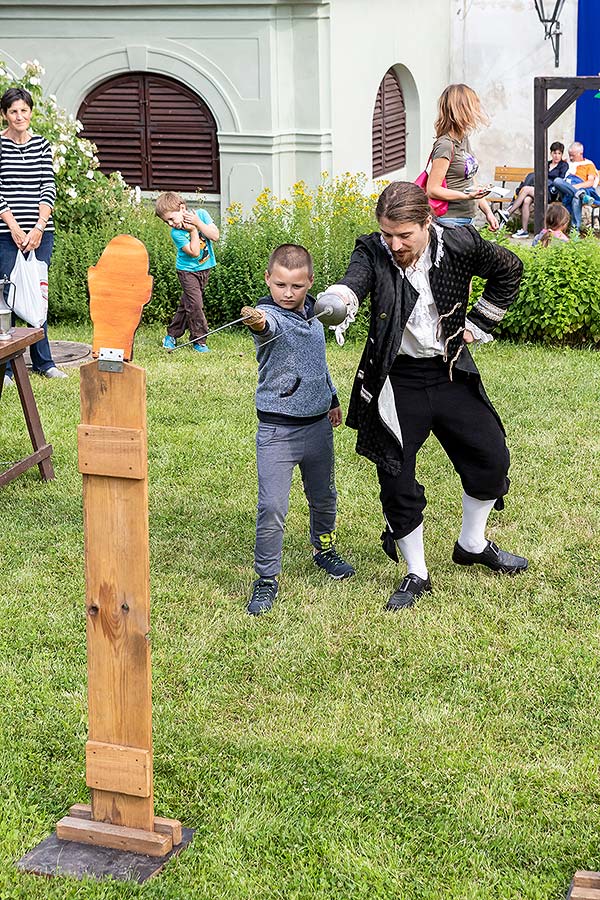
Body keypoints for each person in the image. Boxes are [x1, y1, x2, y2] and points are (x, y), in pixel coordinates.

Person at [318, 182, 527, 611]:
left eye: (404, 235)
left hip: (450, 370)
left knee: (491, 457)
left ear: (427, 224)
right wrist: (338, 299)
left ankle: (472, 543)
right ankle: (417, 572)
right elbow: (353, 281)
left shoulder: (461, 243)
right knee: (395, 474)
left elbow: (510, 269)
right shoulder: (374, 250)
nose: (394, 244)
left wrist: (480, 323)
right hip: (398, 377)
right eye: (387, 234)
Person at [240, 243, 355, 616]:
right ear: (268, 280)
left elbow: (317, 364)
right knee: (272, 506)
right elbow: (264, 324)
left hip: (318, 426)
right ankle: (266, 580)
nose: (287, 294)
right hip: (277, 430)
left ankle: (324, 549)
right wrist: (255, 319)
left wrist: (333, 397)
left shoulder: (314, 316)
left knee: (324, 497)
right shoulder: (270, 317)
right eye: (280, 285)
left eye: (297, 286)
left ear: (310, 284)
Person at [0, 86, 66, 388]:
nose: (19, 116)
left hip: (41, 234)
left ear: (30, 112)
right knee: (7, 298)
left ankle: (44, 362)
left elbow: (47, 187)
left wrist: (38, 227)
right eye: (13, 111)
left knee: (38, 296)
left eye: (24, 110)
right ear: (5, 115)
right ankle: (8, 368)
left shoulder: (42, 145)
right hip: (6, 234)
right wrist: (14, 227)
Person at [426, 83, 499, 231]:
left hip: (467, 218)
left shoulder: (463, 139)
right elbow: (432, 189)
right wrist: (466, 197)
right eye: (473, 106)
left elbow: (470, 180)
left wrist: (488, 212)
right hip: (449, 221)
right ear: (461, 110)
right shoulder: (445, 145)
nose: (477, 110)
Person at [155, 190, 219, 353]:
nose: (170, 223)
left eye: (171, 218)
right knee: (195, 305)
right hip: (187, 271)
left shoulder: (202, 215)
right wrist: (192, 231)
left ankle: (171, 335)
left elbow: (215, 236)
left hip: (205, 268)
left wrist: (198, 223)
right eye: (166, 222)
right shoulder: (176, 232)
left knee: (188, 304)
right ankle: (199, 340)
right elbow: (195, 252)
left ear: (182, 208)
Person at [506, 142, 568, 238]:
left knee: (526, 189)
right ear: (551, 153)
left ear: (562, 154)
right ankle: (524, 231)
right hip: (538, 190)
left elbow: (560, 181)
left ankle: (508, 212)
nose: (556, 156)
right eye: (554, 153)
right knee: (526, 201)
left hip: (550, 193)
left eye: (559, 153)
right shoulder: (546, 164)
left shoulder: (563, 165)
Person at [551, 142, 600, 232]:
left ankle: (574, 232)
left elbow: (590, 182)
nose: (571, 158)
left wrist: (575, 187)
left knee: (576, 197)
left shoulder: (588, 164)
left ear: (580, 153)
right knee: (557, 181)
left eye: (573, 155)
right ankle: (581, 195)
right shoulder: (566, 163)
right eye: (570, 155)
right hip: (565, 191)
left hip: (582, 188)